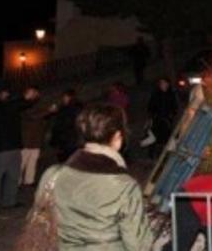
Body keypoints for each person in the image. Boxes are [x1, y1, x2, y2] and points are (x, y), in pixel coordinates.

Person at [35, 103, 153, 250]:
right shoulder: (124, 187)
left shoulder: (52, 174)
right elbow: (139, 245)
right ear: (117, 137)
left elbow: (41, 224)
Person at [0, 82, 39, 214]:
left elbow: (18, 105)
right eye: (5, 92)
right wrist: (25, 98)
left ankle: (10, 201)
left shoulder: (7, 105)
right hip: (0, 147)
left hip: (13, 145)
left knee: (13, 175)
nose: (8, 94)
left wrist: (28, 99)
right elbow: (14, 105)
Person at [147, 78, 180, 158]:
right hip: (157, 119)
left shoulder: (171, 94)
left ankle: (166, 154)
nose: (163, 85)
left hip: (167, 120)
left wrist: (172, 114)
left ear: (168, 84)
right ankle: (152, 154)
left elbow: (175, 106)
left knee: (167, 137)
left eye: (164, 83)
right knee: (155, 136)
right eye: (161, 83)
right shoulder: (155, 94)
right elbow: (150, 106)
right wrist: (153, 115)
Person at [20, 99, 49, 187]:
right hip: (26, 142)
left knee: (32, 162)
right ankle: (17, 181)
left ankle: (29, 180)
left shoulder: (39, 115)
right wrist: (48, 111)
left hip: (35, 142)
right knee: (22, 162)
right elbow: (33, 116)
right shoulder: (26, 113)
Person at [50, 89, 83, 163]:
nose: (63, 99)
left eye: (65, 97)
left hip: (67, 140)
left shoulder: (67, 109)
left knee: (66, 162)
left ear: (70, 97)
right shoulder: (77, 109)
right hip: (71, 140)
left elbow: (61, 125)